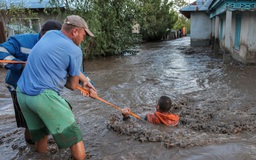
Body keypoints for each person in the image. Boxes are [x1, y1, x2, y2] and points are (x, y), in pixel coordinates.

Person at [16, 15, 97, 160]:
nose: (83, 39)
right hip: (42, 96)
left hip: (22, 94)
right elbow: (72, 86)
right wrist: (82, 86)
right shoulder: (75, 50)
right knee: (75, 136)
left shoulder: (50, 34)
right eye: (84, 35)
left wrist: (84, 81)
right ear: (75, 32)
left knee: (41, 135)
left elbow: (58, 63)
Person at [0, 20, 62, 144]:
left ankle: (38, 145)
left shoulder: (59, 46)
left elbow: (73, 70)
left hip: (45, 89)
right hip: (18, 88)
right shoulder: (22, 41)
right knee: (29, 122)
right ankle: (31, 146)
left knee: (46, 119)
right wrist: (22, 65)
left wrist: (87, 83)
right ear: (43, 34)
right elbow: (1, 51)